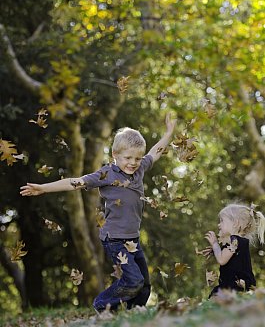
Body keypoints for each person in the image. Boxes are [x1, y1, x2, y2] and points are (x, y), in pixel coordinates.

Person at [20, 114, 177, 312]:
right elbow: (75, 182)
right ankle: (101, 304)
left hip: (132, 239)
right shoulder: (106, 174)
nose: (133, 162)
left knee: (144, 285)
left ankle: (132, 313)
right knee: (133, 280)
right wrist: (43, 188)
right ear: (115, 155)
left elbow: (156, 152)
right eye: (127, 158)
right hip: (115, 239)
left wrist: (169, 133)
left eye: (137, 158)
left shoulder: (139, 169)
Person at [204, 203, 265, 297]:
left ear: (235, 223)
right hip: (238, 285)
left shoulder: (235, 240)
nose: (219, 224)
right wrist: (214, 250)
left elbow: (222, 260)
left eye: (222, 221)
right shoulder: (237, 241)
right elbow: (229, 255)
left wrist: (215, 244)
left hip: (234, 287)